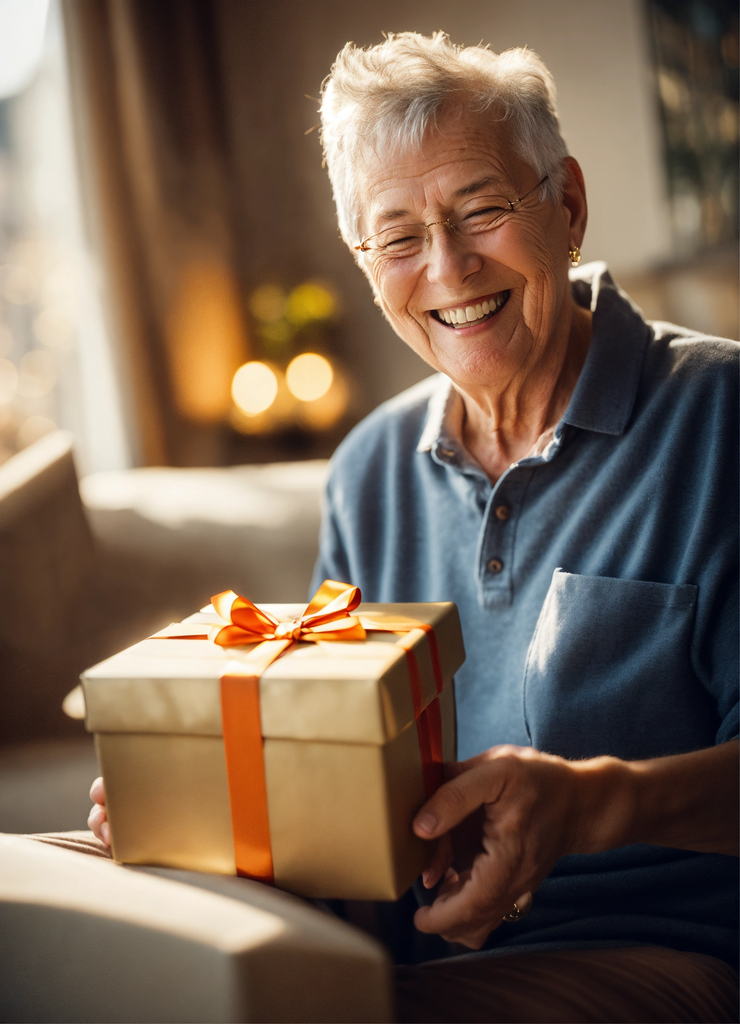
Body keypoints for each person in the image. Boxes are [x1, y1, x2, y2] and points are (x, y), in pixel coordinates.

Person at [89, 32, 739, 1022]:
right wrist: (212, 814)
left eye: (481, 209)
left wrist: (591, 802)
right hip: (391, 953)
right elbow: (343, 792)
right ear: (362, 257)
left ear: (563, 202)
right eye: (397, 236)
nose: (444, 267)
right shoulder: (368, 470)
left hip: (655, 951)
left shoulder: (717, 413)